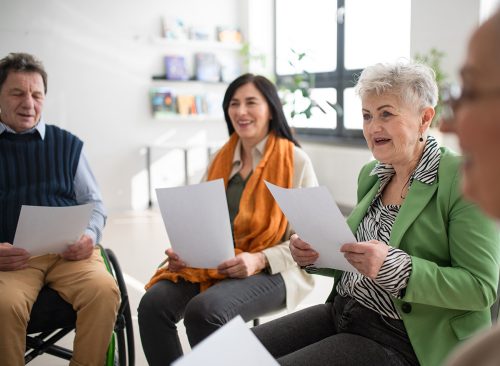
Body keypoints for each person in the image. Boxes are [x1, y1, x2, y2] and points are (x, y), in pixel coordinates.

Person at [252, 61, 500, 366]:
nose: (373, 127)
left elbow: (480, 288)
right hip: (344, 309)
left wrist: (396, 267)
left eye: (386, 114)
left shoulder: (462, 180)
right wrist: (316, 254)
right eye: (367, 116)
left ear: (425, 119)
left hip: (402, 336)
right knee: (235, 353)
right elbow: (356, 259)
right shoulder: (373, 173)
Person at [138, 73, 318, 365]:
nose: (241, 111)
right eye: (234, 103)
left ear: (271, 109)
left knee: (204, 312)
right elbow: (200, 220)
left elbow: (310, 242)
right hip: (218, 263)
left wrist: (259, 259)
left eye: (251, 103)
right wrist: (186, 251)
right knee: (152, 306)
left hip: (278, 269)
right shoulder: (219, 158)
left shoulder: (295, 160)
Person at [0, 52, 120, 366]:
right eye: (17, 93)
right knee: (3, 305)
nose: (29, 103)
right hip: (13, 258)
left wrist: (90, 237)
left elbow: (94, 205)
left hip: (69, 253)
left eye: (37, 95)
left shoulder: (68, 145)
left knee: (105, 290)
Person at [439, 8, 500, 366]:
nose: (449, 126)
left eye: (470, 91)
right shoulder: (371, 174)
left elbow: (478, 286)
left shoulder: (448, 176)